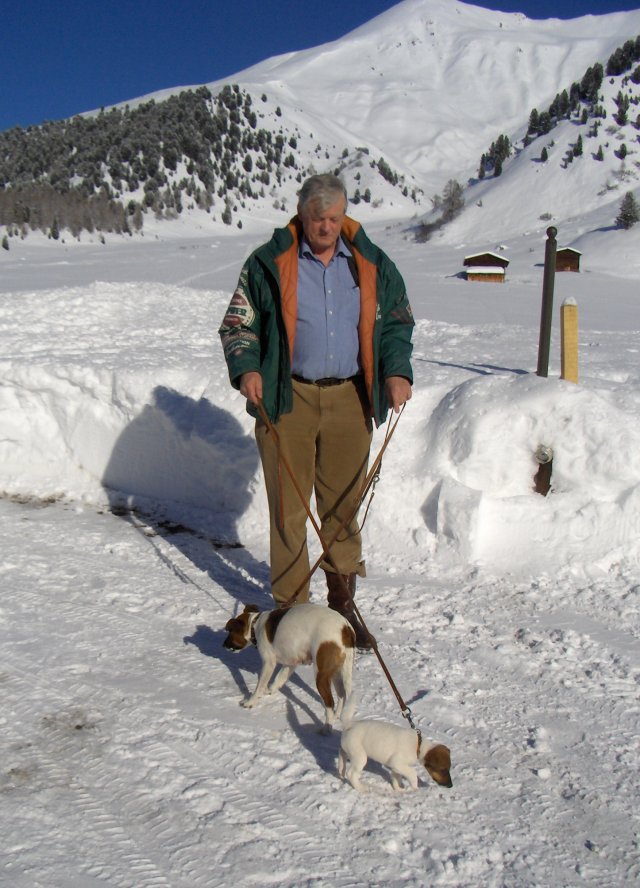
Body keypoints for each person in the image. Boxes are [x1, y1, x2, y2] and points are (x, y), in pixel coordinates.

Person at [219, 173, 414, 648]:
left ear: (344, 215)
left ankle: (342, 606)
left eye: (334, 217)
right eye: (316, 217)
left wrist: (395, 372)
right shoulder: (269, 263)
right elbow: (237, 324)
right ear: (301, 214)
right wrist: (248, 368)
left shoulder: (369, 262)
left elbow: (396, 322)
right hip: (288, 398)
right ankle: (290, 611)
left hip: (351, 397)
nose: (326, 226)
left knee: (343, 505)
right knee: (289, 508)